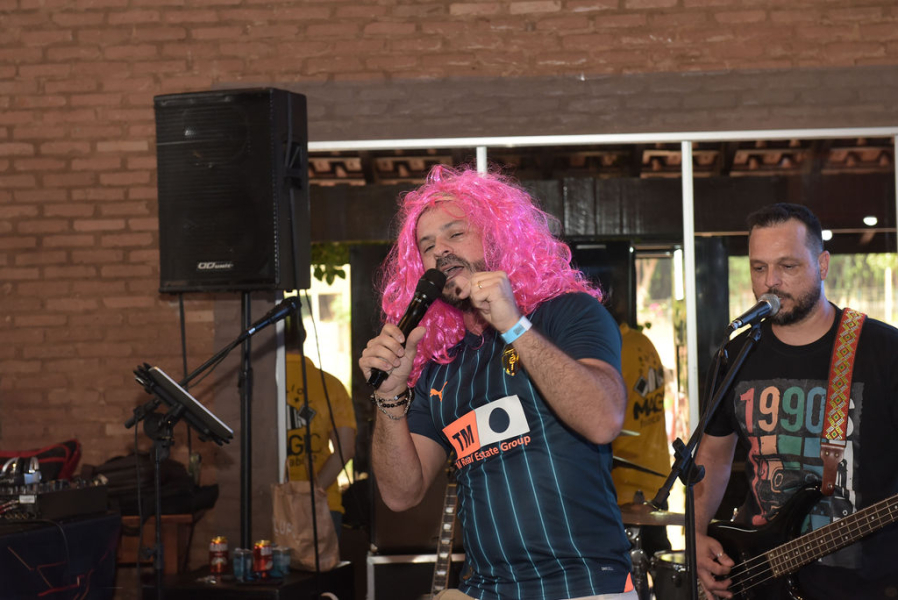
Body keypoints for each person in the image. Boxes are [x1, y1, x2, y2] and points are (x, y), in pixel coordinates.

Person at [359, 165, 636, 600]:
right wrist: (390, 396)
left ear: (497, 237)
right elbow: (400, 494)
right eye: (427, 246)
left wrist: (513, 324)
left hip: (585, 584)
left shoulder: (568, 313)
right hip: (486, 590)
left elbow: (603, 420)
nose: (440, 251)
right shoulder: (439, 367)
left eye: (456, 233)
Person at [694, 203, 898, 599]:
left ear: (823, 265)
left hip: (868, 586)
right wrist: (697, 533)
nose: (770, 281)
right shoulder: (734, 357)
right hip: (761, 578)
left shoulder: (884, 351)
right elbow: (713, 457)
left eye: (787, 266)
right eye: (759, 268)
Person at [284, 313, 356, 536]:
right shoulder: (331, 385)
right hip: (324, 503)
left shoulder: (263, 384)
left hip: (274, 504)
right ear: (304, 336)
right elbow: (345, 449)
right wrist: (313, 492)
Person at [612, 322, 672, 556]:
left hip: (626, 486)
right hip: (656, 478)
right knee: (657, 556)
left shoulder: (611, 349)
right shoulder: (642, 342)